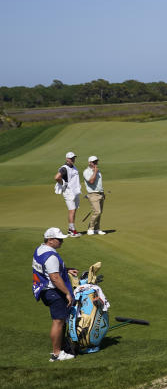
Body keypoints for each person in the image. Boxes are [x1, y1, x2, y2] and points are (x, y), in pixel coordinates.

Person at [32, 227, 79, 361]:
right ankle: (57, 354)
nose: (61, 242)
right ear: (50, 240)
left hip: (44, 290)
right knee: (58, 322)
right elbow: (55, 278)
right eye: (59, 240)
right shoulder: (51, 256)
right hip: (53, 292)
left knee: (59, 321)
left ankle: (60, 347)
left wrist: (67, 270)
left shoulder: (40, 249)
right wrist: (67, 294)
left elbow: (49, 270)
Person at [54, 152, 82, 237]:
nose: (72, 159)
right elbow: (56, 177)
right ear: (67, 159)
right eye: (71, 158)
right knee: (72, 210)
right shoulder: (64, 168)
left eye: (73, 158)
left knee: (74, 210)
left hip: (75, 192)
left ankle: (71, 229)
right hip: (68, 192)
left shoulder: (74, 167)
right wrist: (63, 183)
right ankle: (72, 231)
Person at [83, 155, 106, 235]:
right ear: (89, 163)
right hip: (93, 194)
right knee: (97, 211)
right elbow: (91, 181)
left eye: (96, 161)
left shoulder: (97, 171)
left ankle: (97, 228)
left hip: (100, 193)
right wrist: (95, 171)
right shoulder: (86, 171)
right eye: (94, 162)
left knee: (100, 213)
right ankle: (90, 228)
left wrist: (102, 193)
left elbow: (99, 184)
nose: (96, 163)